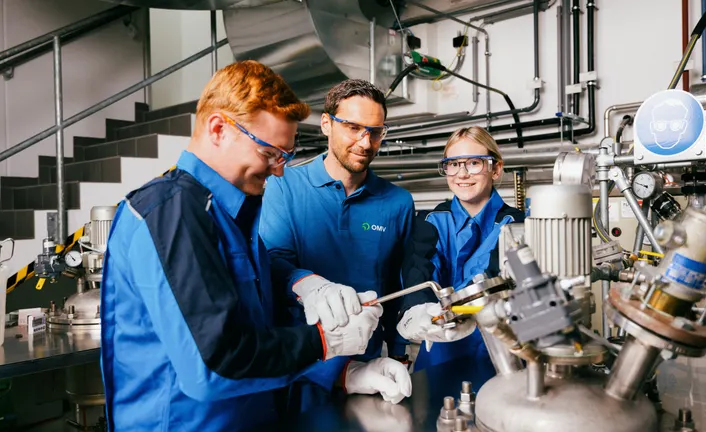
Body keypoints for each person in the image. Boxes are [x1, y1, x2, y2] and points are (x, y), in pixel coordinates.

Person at [100, 61, 385, 431]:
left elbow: (256, 323)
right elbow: (216, 364)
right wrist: (325, 342)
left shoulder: (229, 214)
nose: (279, 170)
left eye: (285, 156)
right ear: (219, 129)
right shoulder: (173, 213)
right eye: (270, 153)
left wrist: (339, 365)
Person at [260, 79, 414, 409]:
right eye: (354, 127)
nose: (365, 141)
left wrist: (399, 352)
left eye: (375, 131)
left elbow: (396, 281)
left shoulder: (398, 202)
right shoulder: (284, 186)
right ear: (327, 124)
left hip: (368, 367)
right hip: (301, 367)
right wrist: (311, 287)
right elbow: (273, 262)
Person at [397, 126, 525, 371]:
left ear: (496, 169)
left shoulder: (516, 224)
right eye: (453, 164)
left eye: (474, 163)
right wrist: (416, 307)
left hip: (501, 353)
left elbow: (492, 278)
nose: (462, 174)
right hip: (440, 349)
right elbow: (419, 269)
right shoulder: (432, 220)